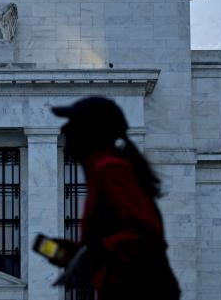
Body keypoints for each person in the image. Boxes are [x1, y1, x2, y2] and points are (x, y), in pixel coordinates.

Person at [46, 96, 180, 300]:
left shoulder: (110, 169)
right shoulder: (101, 170)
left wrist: (93, 254)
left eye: (73, 123)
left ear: (90, 131)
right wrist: (77, 253)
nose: (65, 130)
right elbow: (116, 239)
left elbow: (146, 233)